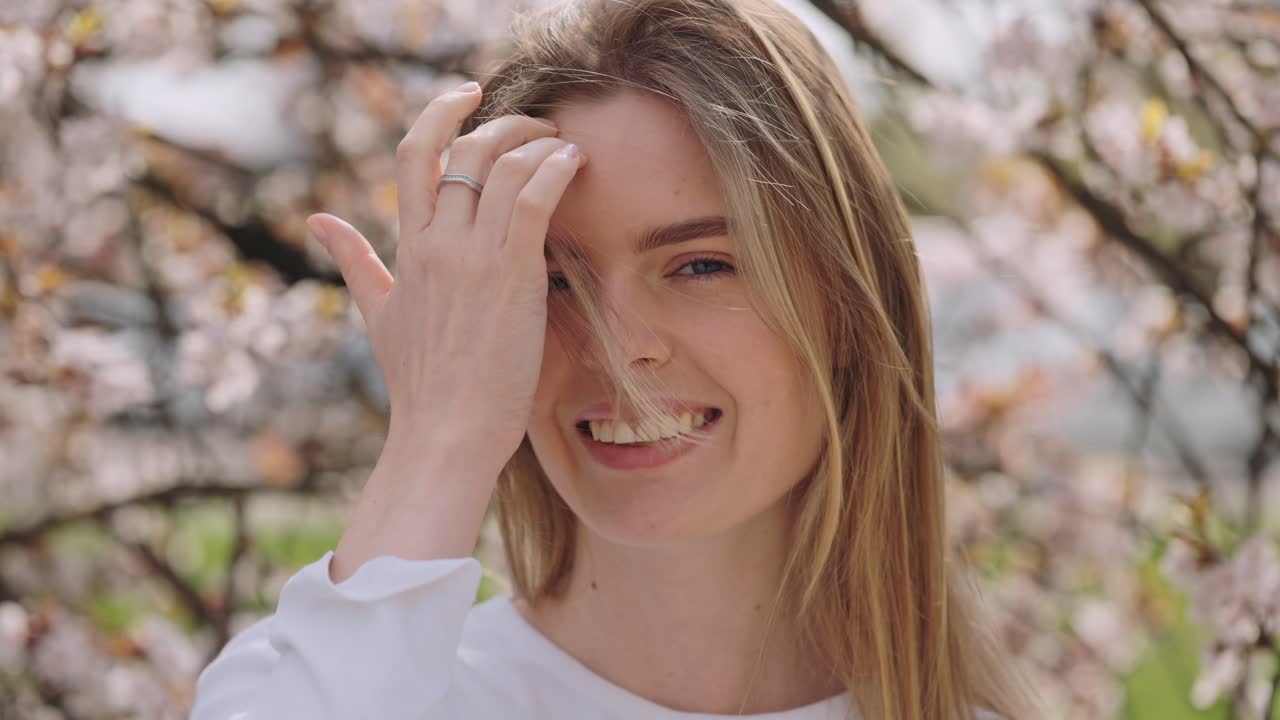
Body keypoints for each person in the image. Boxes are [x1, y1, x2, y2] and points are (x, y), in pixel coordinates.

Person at [190, 0, 1040, 718]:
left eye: (703, 264)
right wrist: (435, 441)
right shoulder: (345, 685)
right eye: (550, 278)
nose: (617, 346)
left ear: (850, 308)